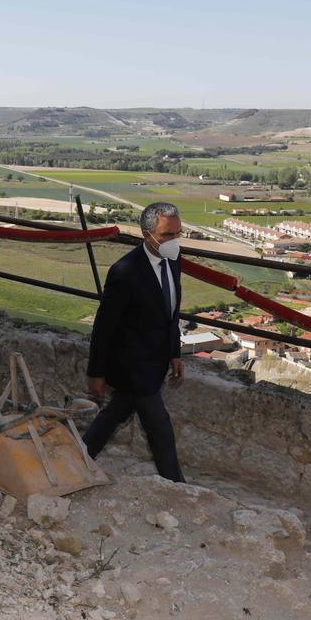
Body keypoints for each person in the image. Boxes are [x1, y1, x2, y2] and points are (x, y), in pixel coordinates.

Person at [82, 201, 186, 482]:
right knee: (160, 428)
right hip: (132, 366)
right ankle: (176, 486)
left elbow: (171, 312)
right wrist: (96, 373)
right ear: (146, 234)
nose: (173, 241)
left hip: (156, 361)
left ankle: (78, 457)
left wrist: (175, 353)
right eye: (166, 235)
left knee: (115, 413)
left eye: (177, 234)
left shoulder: (174, 260)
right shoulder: (125, 272)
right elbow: (104, 327)